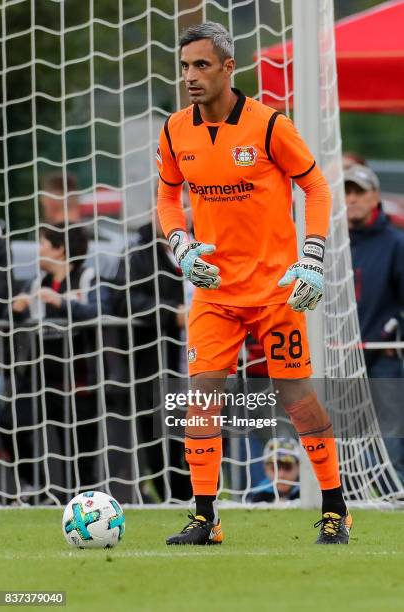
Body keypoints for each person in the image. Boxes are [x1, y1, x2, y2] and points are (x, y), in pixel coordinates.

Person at [156, 22, 351, 545]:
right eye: (184, 67)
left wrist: (311, 257)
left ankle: (335, 508)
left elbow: (316, 187)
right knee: (200, 400)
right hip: (215, 293)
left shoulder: (269, 125)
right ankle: (205, 517)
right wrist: (180, 244)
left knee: (298, 399)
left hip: (274, 292)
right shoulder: (176, 130)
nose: (190, 76)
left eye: (201, 65)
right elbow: (167, 198)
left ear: (227, 67)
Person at [0, 224, 106, 502]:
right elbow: (10, 319)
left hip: (79, 380)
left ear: (60, 250)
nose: (39, 251)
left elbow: (100, 310)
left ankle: (87, 509)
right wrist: (15, 311)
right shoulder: (36, 283)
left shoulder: (88, 278)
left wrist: (62, 303)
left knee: (81, 457)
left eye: (44, 244)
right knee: (10, 422)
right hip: (39, 379)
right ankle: (38, 486)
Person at [110, 212, 192, 502]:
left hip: (209, 359)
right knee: (159, 441)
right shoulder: (137, 254)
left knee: (212, 432)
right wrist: (172, 314)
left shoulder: (211, 246)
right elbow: (124, 299)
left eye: (184, 207)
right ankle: (174, 499)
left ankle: (207, 498)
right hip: (157, 364)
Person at [345, 164, 404, 484]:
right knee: (341, 444)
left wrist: (394, 330)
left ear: (375, 197)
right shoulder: (331, 244)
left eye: (359, 192)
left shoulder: (396, 243)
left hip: (383, 358)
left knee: (391, 442)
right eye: (347, 192)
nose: (352, 199)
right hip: (339, 358)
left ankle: (396, 505)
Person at [246, 438, 300, 503]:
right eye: (274, 468)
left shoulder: (309, 493)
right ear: (265, 469)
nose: (281, 475)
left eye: (287, 467)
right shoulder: (256, 496)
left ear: (299, 467)